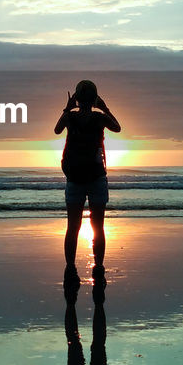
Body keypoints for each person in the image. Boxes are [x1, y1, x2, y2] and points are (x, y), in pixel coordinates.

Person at [55, 80, 121, 285]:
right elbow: (117, 128)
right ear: (94, 98)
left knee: (72, 227)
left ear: (76, 98)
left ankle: (70, 268)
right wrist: (104, 107)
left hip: (74, 178)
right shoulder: (100, 118)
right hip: (96, 177)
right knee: (98, 226)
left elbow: (57, 130)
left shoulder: (70, 117)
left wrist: (67, 107)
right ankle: (99, 268)